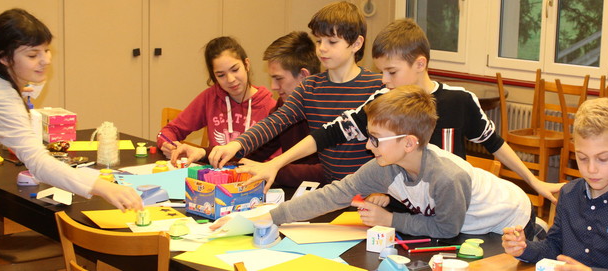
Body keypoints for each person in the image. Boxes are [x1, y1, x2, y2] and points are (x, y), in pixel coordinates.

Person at [235, 19, 563, 201]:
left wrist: (534, 183)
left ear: (419, 64)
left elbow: (497, 146)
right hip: (406, 212)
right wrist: (275, 163)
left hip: (456, 209)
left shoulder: (460, 101)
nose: (385, 81)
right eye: (382, 73)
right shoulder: (382, 101)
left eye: (392, 72)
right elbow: (328, 134)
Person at [212, 86, 533, 239]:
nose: (368, 145)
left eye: (376, 139)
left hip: (508, 221)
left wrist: (388, 219)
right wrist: (268, 218)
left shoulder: (446, 177)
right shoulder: (383, 165)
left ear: (409, 143)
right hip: (464, 225)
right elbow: (332, 194)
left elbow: (447, 229)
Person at [204, 1, 385, 184]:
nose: (322, 48)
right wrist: (237, 144)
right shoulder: (310, 87)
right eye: (318, 40)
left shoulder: (376, 86)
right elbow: (276, 121)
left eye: (332, 41)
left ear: (356, 44)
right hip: (331, 190)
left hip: (369, 188)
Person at [0, 9, 141, 211]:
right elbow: (38, 163)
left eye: (46, 50)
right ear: (4, 58)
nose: (46, 60)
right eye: (33, 55)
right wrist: (102, 187)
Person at [501, 98, 608, 270]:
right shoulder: (568, 194)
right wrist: (523, 248)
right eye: (582, 158)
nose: (591, 169)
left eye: (603, 159)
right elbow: (553, 247)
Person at [159, 36, 280, 165]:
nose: (230, 79)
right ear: (214, 77)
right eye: (221, 75)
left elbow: (272, 162)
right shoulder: (211, 98)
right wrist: (171, 146)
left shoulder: (270, 107)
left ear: (247, 65)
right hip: (215, 177)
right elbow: (167, 132)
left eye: (235, 70)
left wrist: (202, 152)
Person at [261, 31, 325, 187]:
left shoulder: (329, 107)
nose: (273, 87)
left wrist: (274, 168)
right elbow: (257, 150)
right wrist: (207, 154)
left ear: (304, 75)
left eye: (279, 78)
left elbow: (329, 173)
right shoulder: (283, 105)